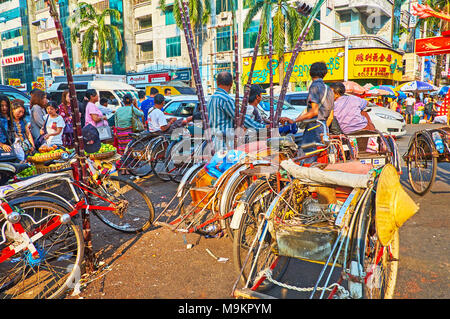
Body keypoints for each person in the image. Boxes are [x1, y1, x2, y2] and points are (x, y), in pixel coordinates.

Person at [281, 62, 334, 162]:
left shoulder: (314, 87)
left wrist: (294, 120)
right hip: (323, 127)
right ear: (325, 73)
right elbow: (330, 113)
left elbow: (314, 112)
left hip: (313, 127)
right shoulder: (329, 89)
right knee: (320, 157)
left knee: (306, 158)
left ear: (310, 73)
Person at [206, 71, 267, 150]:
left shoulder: (210, 99)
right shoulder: (226, 99)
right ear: (231, 84)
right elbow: (241, 118)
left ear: (217, 83)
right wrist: (262, 127)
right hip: (225, 144)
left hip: (213, 141)